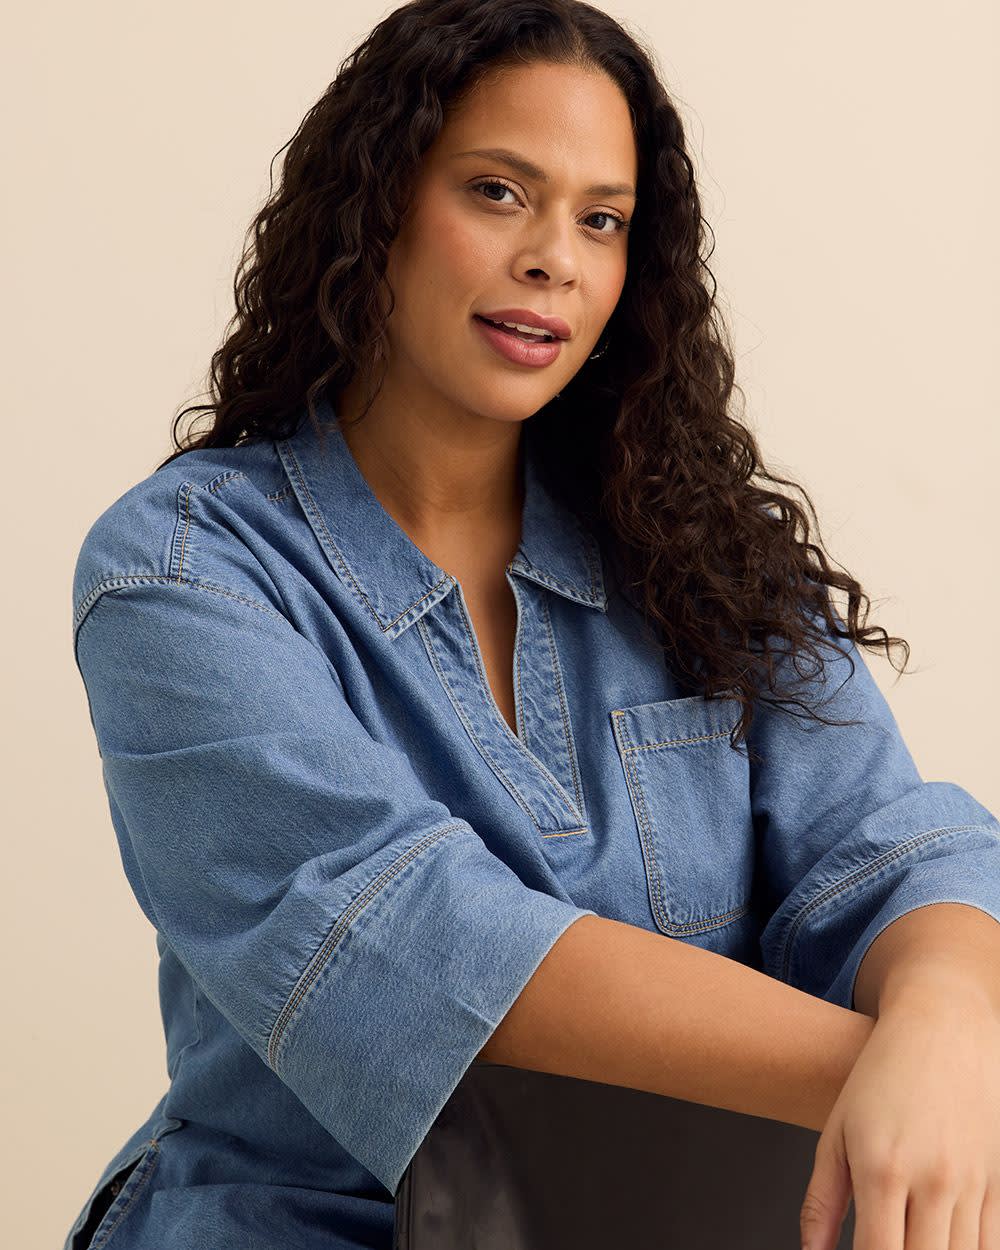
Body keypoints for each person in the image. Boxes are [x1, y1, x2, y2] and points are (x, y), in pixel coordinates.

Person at [65, 1, 1000, 1248]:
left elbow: (894, 849)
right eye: (498, 192)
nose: (555, 257)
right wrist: (905, 1082)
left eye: (601, 219)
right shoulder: (183, 568)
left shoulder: (697, 550)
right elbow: (422, 945)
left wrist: (948, 1022)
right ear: (377, 204)